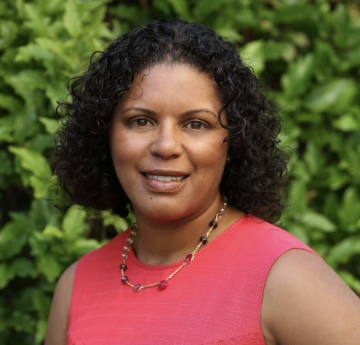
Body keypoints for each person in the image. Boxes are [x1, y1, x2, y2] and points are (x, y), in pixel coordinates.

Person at [45, 19, 360, 345]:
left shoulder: (285, 278)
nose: (166, 146)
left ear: (233, 139)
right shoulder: (75, 288)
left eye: (196, 124)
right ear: (104, 134)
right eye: (141, 121)